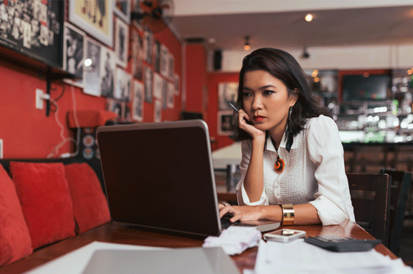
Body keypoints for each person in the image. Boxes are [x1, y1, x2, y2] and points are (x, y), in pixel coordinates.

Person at [218, 48, 355, 226]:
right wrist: (258, 141)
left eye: (267, 92)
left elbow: (335, 209)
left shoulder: (318, 128)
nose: (255, 104)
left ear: (293, 97)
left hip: (331, 241)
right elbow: (250, 207)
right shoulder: (252, 141)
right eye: (247, 94)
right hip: (282, 240)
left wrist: (263, 211)